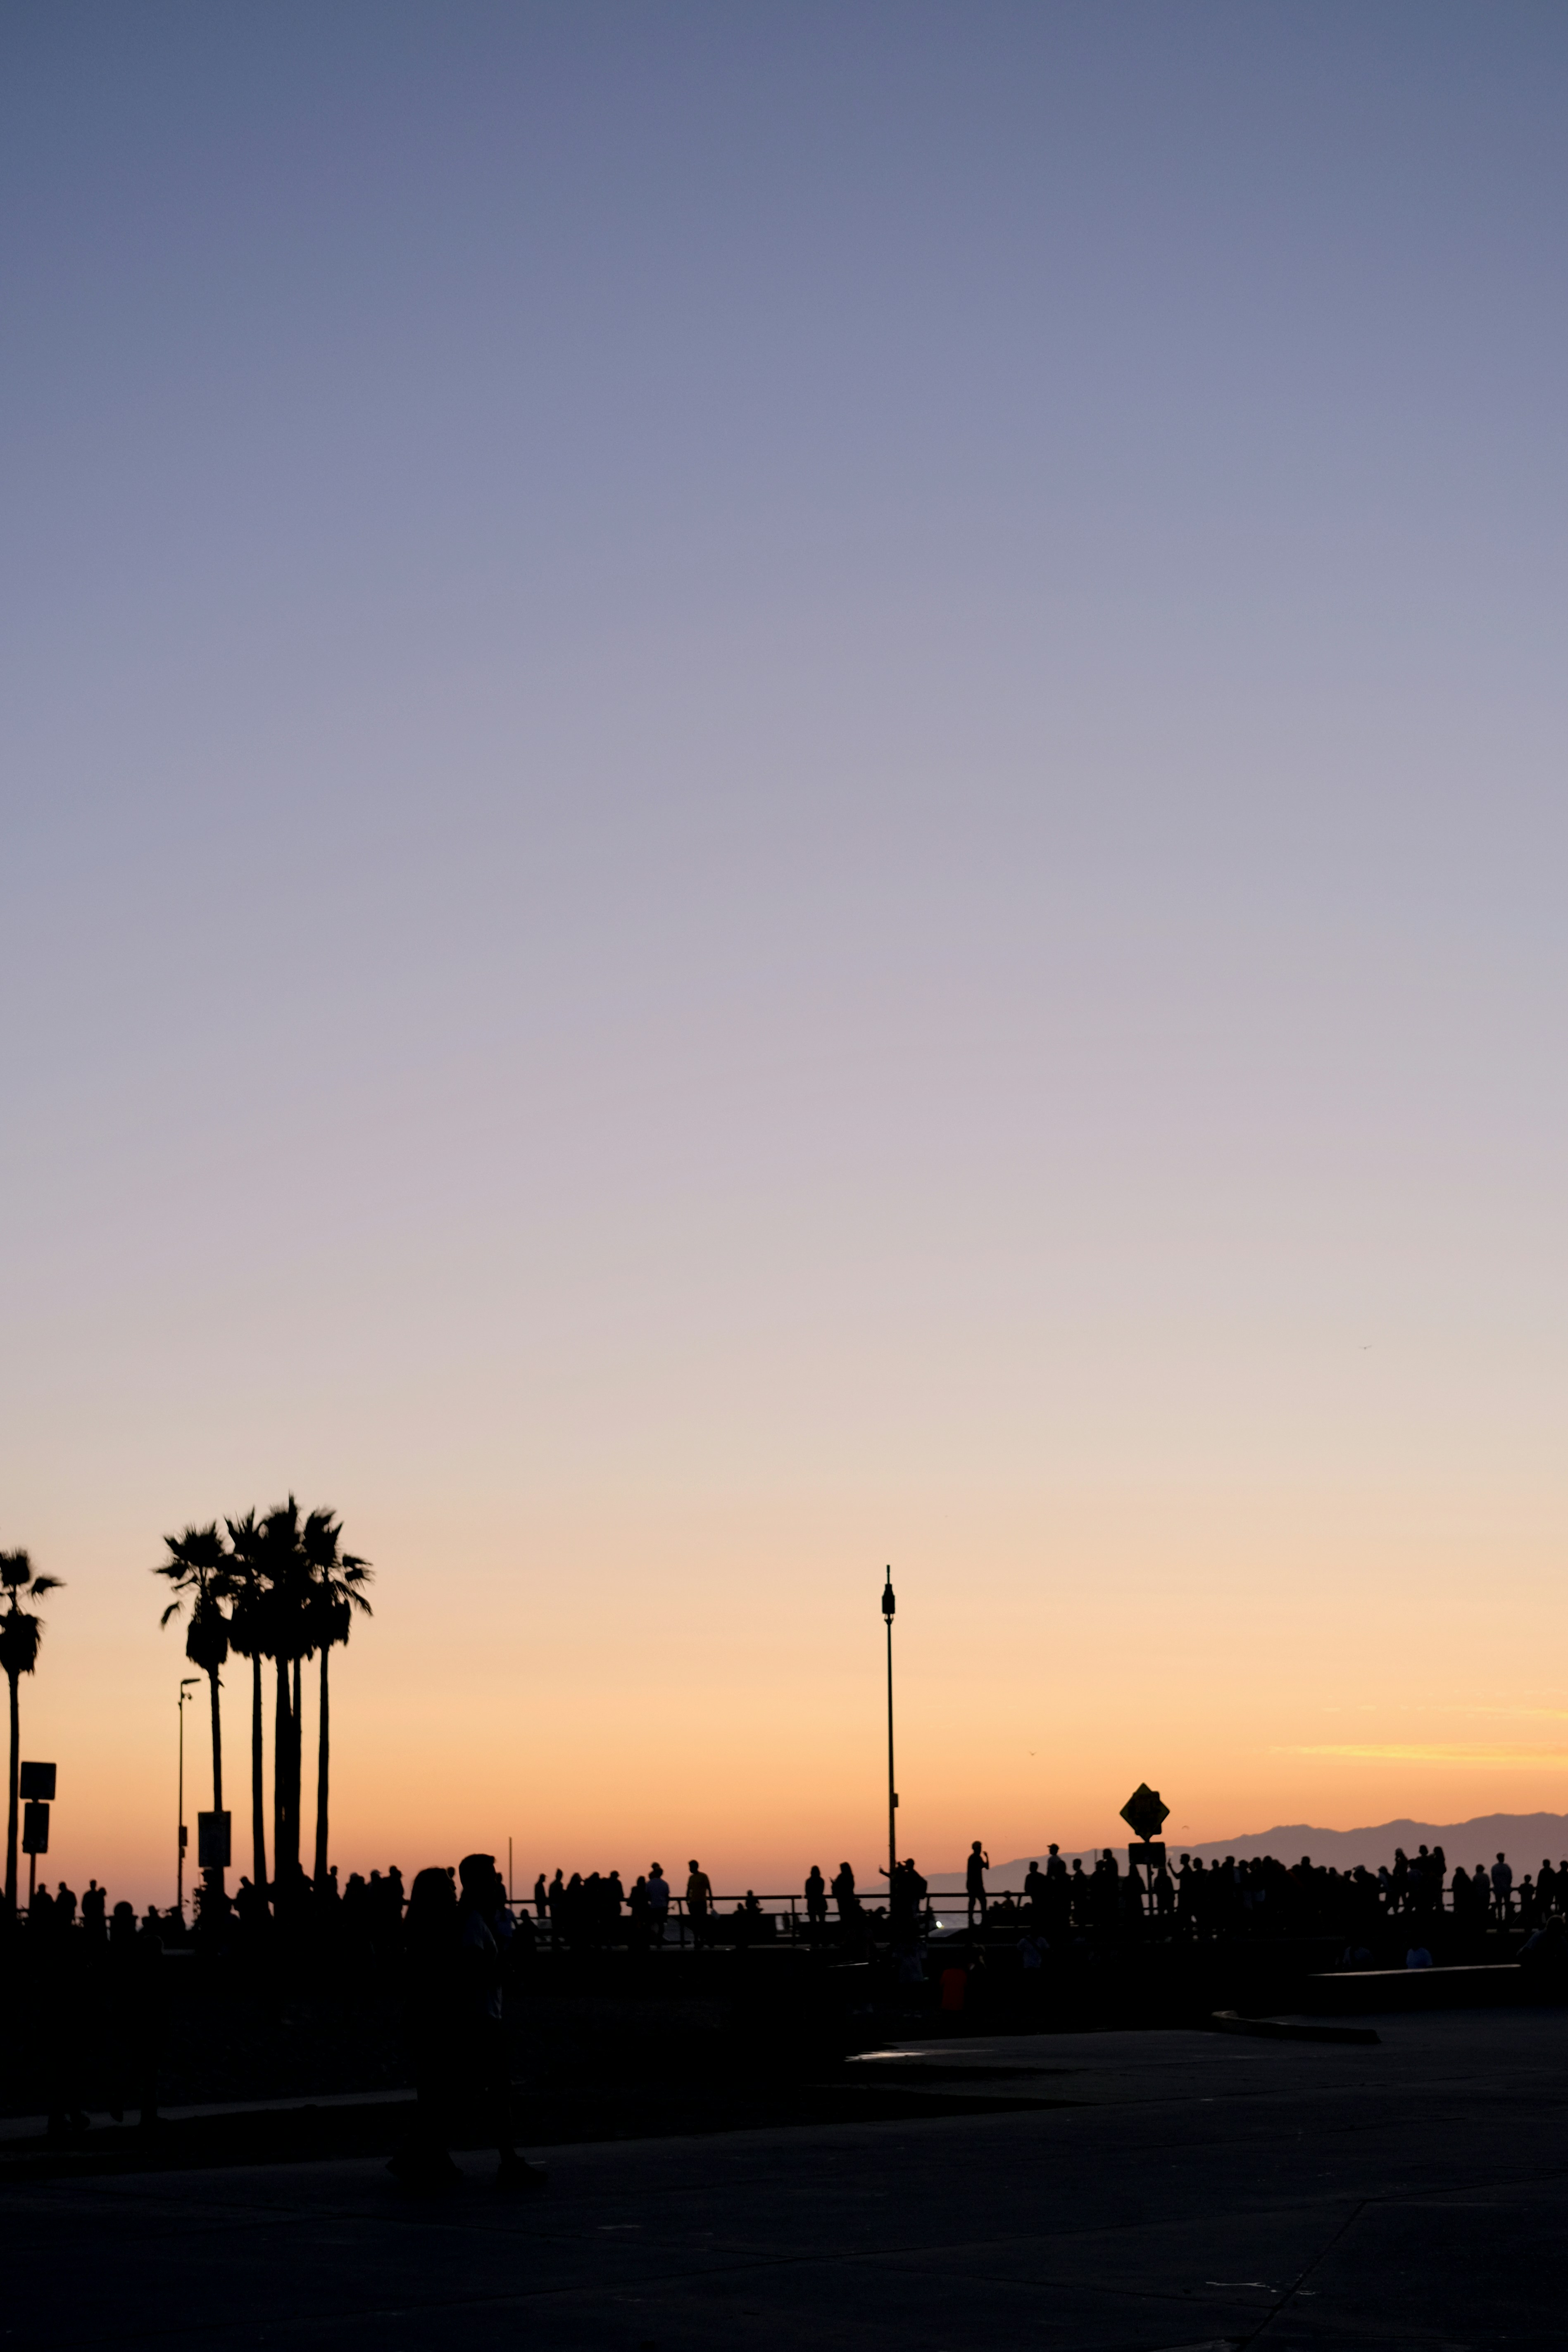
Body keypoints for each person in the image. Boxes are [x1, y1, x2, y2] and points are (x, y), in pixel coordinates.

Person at [685, 1860, 712, 1947]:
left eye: (691, 1867)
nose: (690, 1869)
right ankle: (697, 1940)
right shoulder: (691, 1878)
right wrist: (688, 1901)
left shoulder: (703, 1876)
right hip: (694, 1903)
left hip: (701, 1903)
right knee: (696, 1923)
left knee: (701, 1923)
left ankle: (701, 1940)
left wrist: (711, 1901)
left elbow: (709, 1888)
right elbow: (689, 1890)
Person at [966, 1841, 990, 1928]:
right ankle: (981, 1921)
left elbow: (986, 1867)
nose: (980, 1850)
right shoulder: (976, 1858)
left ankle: (972, 1921)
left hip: (973, 1884)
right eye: (979, 1848)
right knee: (981, 1902)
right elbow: (987, 1867)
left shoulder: (973, 1858)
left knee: (974, 1902)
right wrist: (987, 1857)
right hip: (976, 1884)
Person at [647, 1862, 671, 1943]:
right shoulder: (665, 1884)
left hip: (654, 1906)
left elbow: (647, 1895)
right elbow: (667, 1897)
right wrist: (667, 1907)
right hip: (663, 1907)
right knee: (661, 1925)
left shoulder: (649, 1884)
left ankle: (649, 1941)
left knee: (649, 1924)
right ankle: (659, 1941)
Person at [804, 1864, 827, 1934]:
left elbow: (807, 1892)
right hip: (820, 1902)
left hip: (812, 1903)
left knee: (813, 1922)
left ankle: (815, 1940)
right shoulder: (821, 1880)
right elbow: (821, 1891)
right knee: (822, 1921)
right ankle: (823, 1940)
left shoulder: (809, 1881)